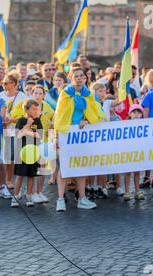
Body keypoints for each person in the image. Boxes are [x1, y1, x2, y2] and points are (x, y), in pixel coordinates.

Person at [54, 68, 105, 212]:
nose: (79, 78)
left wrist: (86, 120)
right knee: (64, 167)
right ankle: (60, 199)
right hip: (66, 133)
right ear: (71, 78)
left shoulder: (89, 94)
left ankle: (82, 198)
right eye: (76, 76)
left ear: (85, 78)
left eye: (81, 76)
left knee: (81, 166)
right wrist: (56, 137)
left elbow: (95, 112)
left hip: (81, 134)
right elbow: (60, 115)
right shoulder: (65, 94)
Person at [11, 99, 43, 208]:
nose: (36, 111)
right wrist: (28, 125)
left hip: (34, 153)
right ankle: (15, 196)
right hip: (22, 153)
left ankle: (29, 196)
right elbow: (18, 135)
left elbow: (40, 135)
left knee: (31, 176)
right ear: (26, 109)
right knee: (19, 176)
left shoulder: (38, 120)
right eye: (33, 109)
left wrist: (27, 132)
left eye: (37, 109)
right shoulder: (21, 120)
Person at [0, 73, 27, 190]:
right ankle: (1, 180)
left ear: (14, 84)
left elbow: (26, 114)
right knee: (2, 156)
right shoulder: (1, 95)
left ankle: (9, 179)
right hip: (3, 129)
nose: (3, 85)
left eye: (6, 83)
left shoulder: (22, 96)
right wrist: (3, 120)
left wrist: (13, 120)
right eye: (3, 83)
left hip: (15, 129)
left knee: (12, 156)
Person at [123, 104, 145, 201]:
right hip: (128, 151)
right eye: (134, 112)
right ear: (129, 114)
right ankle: (127, 192)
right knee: (127, 172)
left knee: (137, 172)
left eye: (138, 112)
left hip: (138, 151)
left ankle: (137, 191)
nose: (136, 114)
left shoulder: (144, 125)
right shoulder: (125, 125)